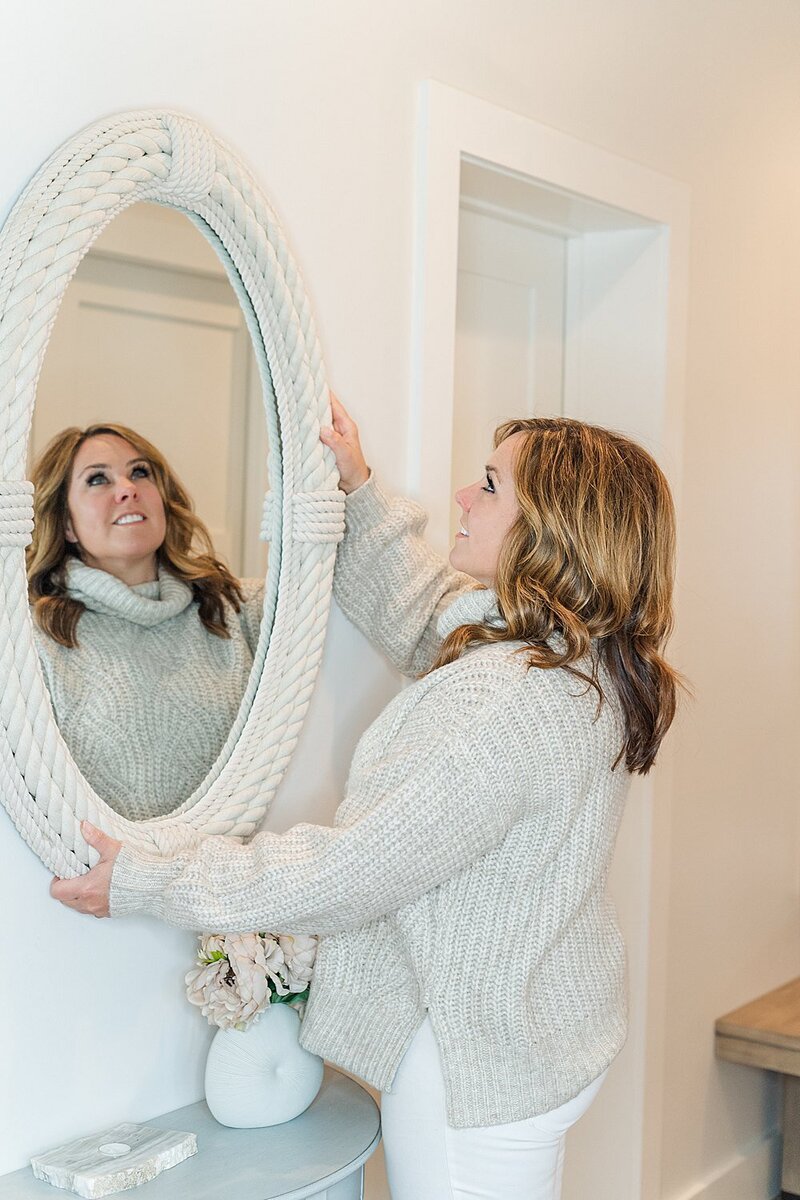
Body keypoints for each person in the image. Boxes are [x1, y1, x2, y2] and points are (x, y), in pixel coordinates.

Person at [52, 397, 680, 1200]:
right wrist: (360, 492)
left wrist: (146, 880)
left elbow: (349, 873)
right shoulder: (575, 655)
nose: (461, 496)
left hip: (474, 1065)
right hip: (539, 1030)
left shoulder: (508, 702)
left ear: (549, 526)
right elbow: (431, 619)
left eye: (489, 486)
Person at [28, 423, 264, 821]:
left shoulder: (238, 607)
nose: (127, 488)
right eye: (97, 479)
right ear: (66, 524)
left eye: (140, 472)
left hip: (225, 874)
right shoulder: (34, 636)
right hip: (92, 877)